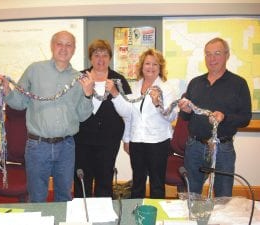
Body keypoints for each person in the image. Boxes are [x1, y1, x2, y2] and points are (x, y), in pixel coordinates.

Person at [0, 30, 94, 202]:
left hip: (66, 147)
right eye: (59, 43)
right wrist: (6, 89)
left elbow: (83, 116)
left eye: (69, 44)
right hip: (37, 147)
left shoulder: (80, 79)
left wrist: (87, 94)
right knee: (37, 196)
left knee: (64, 196)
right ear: (52, 46)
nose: (64, 48)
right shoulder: (34, 70)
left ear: (74, 49)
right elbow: (19, 102)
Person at [178, 37, 252, 197]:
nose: (212, 59)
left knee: (223, 196)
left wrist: (224, 117)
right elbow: (185, 117)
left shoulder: (238, 84)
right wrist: (185, 110)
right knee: (192, 194)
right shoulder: (195, 83)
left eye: (217, 53)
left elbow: (245, 118)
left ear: (227, 55)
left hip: (222, 148)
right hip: (194, 147)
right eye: (208, 54)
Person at [109, 48, 177, 199]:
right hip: (137, 141)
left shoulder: (167, 88)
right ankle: (136, 216)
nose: (151, 67)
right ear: (142, 66)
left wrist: (157, 103)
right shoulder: (135, 86)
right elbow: (128, 115)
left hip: (158, 142)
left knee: (157, 183)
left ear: (160, 68)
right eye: (147, 63)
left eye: (155, 64)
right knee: (138, 182)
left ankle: (157, 218)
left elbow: (171, 116)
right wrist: (126, 140)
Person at [73, 39, 131, 198]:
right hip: (81, 140)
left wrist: (115, 93)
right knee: (82, 181)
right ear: (90, 58)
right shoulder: (79, 78)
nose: (101, 59)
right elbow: (70, 107)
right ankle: (81, 219)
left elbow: (128, 112)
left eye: (105, 55)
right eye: (96, 55)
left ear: (110, 58)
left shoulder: (119, 80)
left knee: (104, 182)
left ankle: (103, 219)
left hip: (108, 141)